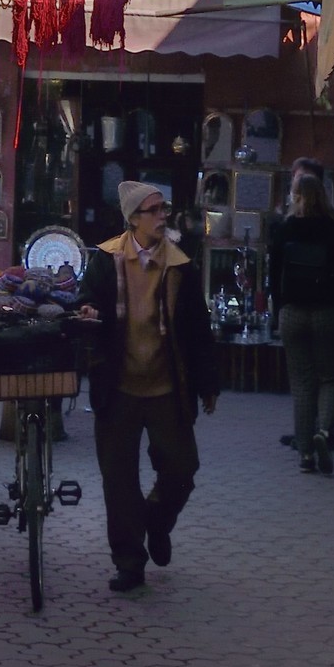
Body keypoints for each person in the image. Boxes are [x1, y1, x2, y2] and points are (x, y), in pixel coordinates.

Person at [77, 181, 220, 594]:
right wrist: (88, 310)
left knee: (181, 470)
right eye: (154, 211)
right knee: (118, 480)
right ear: (133, 218)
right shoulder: (106, 259)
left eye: (164, 210)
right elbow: (89, 302)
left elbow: (198, 328)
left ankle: (155, 522)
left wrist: (208, 381)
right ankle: (129, 562)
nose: (162, 217)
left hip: (166, 386)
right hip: (119, 386)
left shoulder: (180, 265)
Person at [269, 171, 334, 474]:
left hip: (293, 312)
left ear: (295, 196)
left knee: (302, 385)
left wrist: (279, 309)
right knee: (330, 379)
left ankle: (305, 454)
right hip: (327, 312)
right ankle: (323, 431)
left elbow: (272, 275)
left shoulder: (286, 229)